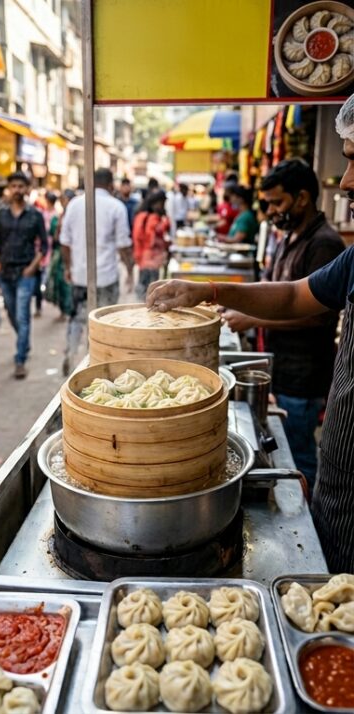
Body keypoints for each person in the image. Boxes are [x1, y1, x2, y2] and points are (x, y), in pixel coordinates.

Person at [145, 97, 354, 572]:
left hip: (309, 386)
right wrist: (209, 290)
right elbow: (293, 297)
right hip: (342, 472)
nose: (345, 182)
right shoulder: (351, 258)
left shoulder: (322, 241)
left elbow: (311, 317)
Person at [220, 160, 342, 487]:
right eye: (268, 203)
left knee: (299, 457)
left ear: (302, 198)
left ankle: (306, 516)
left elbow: (318, 315)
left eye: (277, 202)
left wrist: (250, 317)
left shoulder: (324, 244)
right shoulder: (291, 236)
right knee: (282, 446)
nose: (271, 211)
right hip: (282, 368)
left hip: (303, 376)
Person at [60, 168, 134, 375]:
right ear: (111, 185)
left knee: (76, 316)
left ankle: (71, 352)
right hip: (106, 277)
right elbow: (123, 244)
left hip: (80, 275)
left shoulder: (74, 204)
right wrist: (129, 270)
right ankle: (97, 360)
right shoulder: (116, 206)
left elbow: (64, 242)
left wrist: (68, 267)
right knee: (104, 321)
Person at [0, 171, 46, 380]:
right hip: (5, 272)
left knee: (22, 315)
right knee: (12, 313)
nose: (17, 190)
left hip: (26, 272)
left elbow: (44, 245)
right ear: (9, 188)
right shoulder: (0, 215)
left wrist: (33, 267)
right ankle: (25, 341)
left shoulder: (35, 215)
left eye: (20, 186)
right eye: (13, 186)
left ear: (27, 189)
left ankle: (20, 359)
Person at [131, 190, 171, 300]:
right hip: (151, 260)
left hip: (142, 259)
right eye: (162, 204)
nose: (163, 207)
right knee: (151, 291)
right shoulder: (153, 218)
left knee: (142, 288)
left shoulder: (141, 215)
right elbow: (153, 240)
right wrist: (166, 222)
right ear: (155, 203)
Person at [46, 190, 76, 322]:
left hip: (72, 255)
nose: (65, 203)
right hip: (59, 255)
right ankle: (63, 310)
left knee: (68, 284)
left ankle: (71, 310)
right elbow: (54, 238)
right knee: (58, 282)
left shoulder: (76, 218)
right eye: (63, 200)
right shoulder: (57, 218)